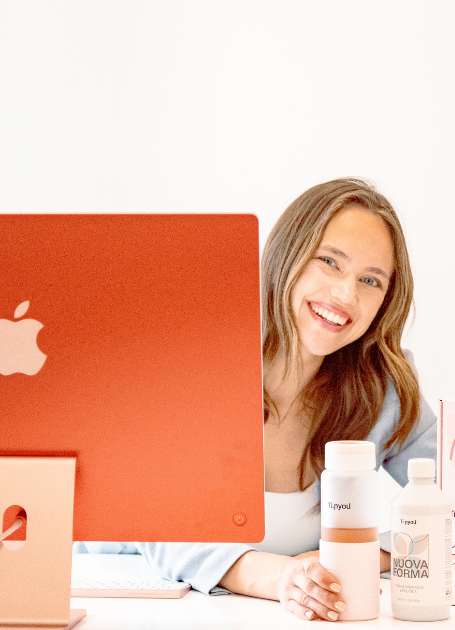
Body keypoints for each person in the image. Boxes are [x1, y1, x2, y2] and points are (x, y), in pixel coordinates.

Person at [75, 178, 436, 622]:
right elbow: (161, 531)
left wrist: (361, 559)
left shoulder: (384, 389)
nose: (346, 295)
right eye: (329, 262)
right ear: (287, 255)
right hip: (125, 602)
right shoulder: (198, 359)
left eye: (370, 280)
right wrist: (282, 578)